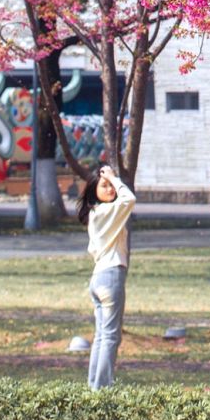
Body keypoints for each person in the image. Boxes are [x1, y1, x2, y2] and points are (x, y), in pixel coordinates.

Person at [77, 163, 136, 390]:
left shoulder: (97, 213)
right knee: (110, 337)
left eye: (112, 185)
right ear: (93, 191)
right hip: (110, 277)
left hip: (99, 277)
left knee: (102, 336)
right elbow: (129, 199)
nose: (111, 189)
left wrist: (111, 179)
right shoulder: (105, 211)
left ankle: (95, 385)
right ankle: (102, 390)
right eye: (105, 185)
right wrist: (115, 177)